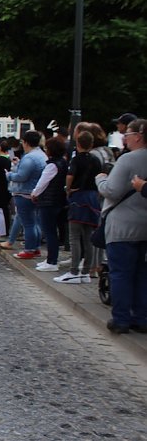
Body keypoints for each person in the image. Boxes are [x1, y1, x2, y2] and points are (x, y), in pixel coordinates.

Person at [96, 119, 147, 334]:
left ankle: (121, 319)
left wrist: (100, 181)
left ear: (139, 136)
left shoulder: (127, 159)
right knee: (142, 274)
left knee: (121, 274)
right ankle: (142, 318)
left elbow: (113, 191)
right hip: (144, 226)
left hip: (123, 226)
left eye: (128, 133)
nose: (124, 136)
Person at [55, 129, 101, 284]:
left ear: (78, 143)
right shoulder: (96, 160)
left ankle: (74, 271)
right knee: (89, 237)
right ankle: (86, 272)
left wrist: (68, 189)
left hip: (79, 197)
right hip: (93, 198)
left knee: (75, 236)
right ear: (92, 144)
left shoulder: (76, 160)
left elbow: (70, 176)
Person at [6, 131, 47, 259]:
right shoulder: (42, 155)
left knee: (28, 223)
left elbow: (21, 176)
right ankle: (36, 248)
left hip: (25, 193)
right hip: (36, 192)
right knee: (35, 223)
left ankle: (29, 249)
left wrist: (8, 175)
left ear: (26, 143)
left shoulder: (29, 157)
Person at [31, 137, 68, 272]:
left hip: (49, 201)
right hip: (58, 200)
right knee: (53, 231)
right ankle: (50, 259)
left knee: (50, 232)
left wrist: (34, 193)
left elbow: (43, 182)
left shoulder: (52, 165)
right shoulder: (63, 162)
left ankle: (52, 261)